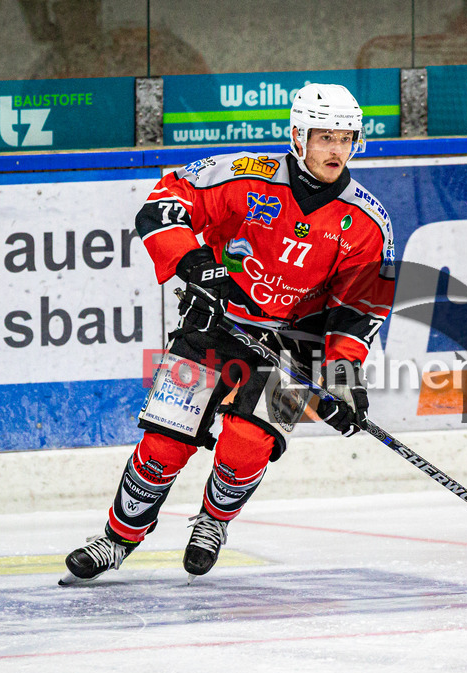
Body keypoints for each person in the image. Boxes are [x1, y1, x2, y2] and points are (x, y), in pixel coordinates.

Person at [59, 83, 396, 585]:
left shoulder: (367, 221)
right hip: (214, 323)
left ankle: (213, 524)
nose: (336, 150)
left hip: (294, 346)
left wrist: (344, 377)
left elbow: (357, 311)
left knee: (247, 442)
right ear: (297, 136)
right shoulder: (242, 175)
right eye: (324, 137)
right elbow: (161, 208)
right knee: (162, 446)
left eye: (346, 138)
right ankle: (117, 539)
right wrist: (196, 264)